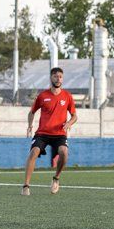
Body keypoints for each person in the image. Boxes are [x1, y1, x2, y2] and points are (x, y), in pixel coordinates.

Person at [22, 67, 77, 196]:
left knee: (64, 152)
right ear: (51, 78)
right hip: (42, 133)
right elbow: (32, 112)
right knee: (33, 152)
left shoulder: (67, 96)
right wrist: (30, 125)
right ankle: (26, 186)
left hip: (59, 134)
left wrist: (69, 123)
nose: (58, 79)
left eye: (60, 77)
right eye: (56, 76)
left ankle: (56, 179)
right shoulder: (43, 96)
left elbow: (74, 116)